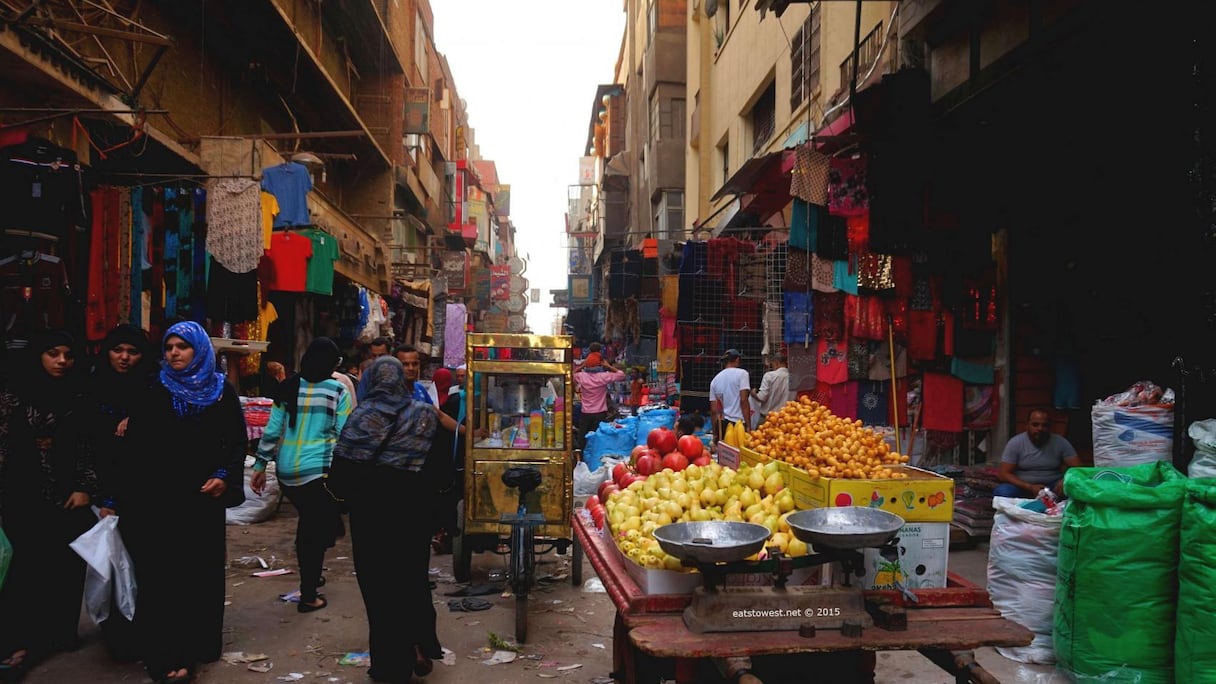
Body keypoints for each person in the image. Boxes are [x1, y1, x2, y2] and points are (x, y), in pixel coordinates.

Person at [119, 321, 246, 684]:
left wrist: (224, 475)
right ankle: (165, 655)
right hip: (158, 501)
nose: (174, 353)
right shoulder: (154, 388)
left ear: (199, 350)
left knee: (198, 576)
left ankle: (195, 648)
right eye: (169, 347)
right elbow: (137, 449)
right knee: (162, 578)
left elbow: (235, 442)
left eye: (182, 347)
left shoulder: (221, 392)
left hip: (202, 501)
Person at [328, 357, 458, 682]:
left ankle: (391, 664)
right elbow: (443, 474)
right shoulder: (426, 414)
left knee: (379, 588)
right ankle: (418, 641)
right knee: (412, 580)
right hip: (414, 514)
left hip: (371, 515)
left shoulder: (362, 416)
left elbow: (341, 477)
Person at [0, 331, 97, 676]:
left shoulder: (80, 394)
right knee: (24, 567)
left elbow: (89, 445)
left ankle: (57, 635)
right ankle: (20, 641)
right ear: (38, 356)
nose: (61, 362)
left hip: (67, 493)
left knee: (64, 567)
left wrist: (86, 487)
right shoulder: (15, 394)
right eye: (52, 354)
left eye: (68, 355)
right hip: (20, 492)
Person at [251, 338, 353, 613]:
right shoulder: (337, 390)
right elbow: (345, 434)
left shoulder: (289, 387)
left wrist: (260, 466)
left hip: (287, 472)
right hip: (319, 471)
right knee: (313, 531)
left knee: (311, 523)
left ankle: (312, 573)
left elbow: (272, 431)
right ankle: (309, 594)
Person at [85, 324, 156, 662]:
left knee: (141, 563)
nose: (125, 358)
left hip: (144, 493)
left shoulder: (154, 390)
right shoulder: (93, 387)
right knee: (111, 567)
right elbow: (84, 442)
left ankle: (142, 633)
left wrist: (139, 421)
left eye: (133, 351)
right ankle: (116, 637)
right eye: (118, 350)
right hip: (104, 490)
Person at [995, 409, 1082, 498]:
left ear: (1050, 427)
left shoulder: (1061, 442)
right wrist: (1030, 487)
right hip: (1023, 486)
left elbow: (1078, 469)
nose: (1040, 429)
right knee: (1003, 491)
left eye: (1045, 425)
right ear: (1027, 425)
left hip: (1053, 487)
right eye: (1035, 425)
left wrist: (1065, 480)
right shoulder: (1015, 443)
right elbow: (1004, 474)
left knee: (1077, 488)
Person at [573, 354, 625, 451]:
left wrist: (582, 366)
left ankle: (582, 459)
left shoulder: (582, 376)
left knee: (583, 439)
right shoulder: (603, 377)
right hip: (600, 413)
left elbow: (570, 374)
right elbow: (621, 374)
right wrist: (608, 366)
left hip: (586, 413)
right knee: (598, 439)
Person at [710, 349, 751, 442]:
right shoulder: (742, 374)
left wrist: (715, 432)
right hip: (739, 424)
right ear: (737, 360)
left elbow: (713, 410)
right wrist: (748, 426)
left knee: (725, 454)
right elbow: (743, 400)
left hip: (723, 424)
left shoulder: (715, 380)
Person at [752, 353, 792, 425]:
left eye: (772, 364)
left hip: (768, 418)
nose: (772, 367)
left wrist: (753, 394)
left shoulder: (769, 376)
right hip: (786, 420)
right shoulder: (794, 377)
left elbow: (762, 397)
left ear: (777, 363)